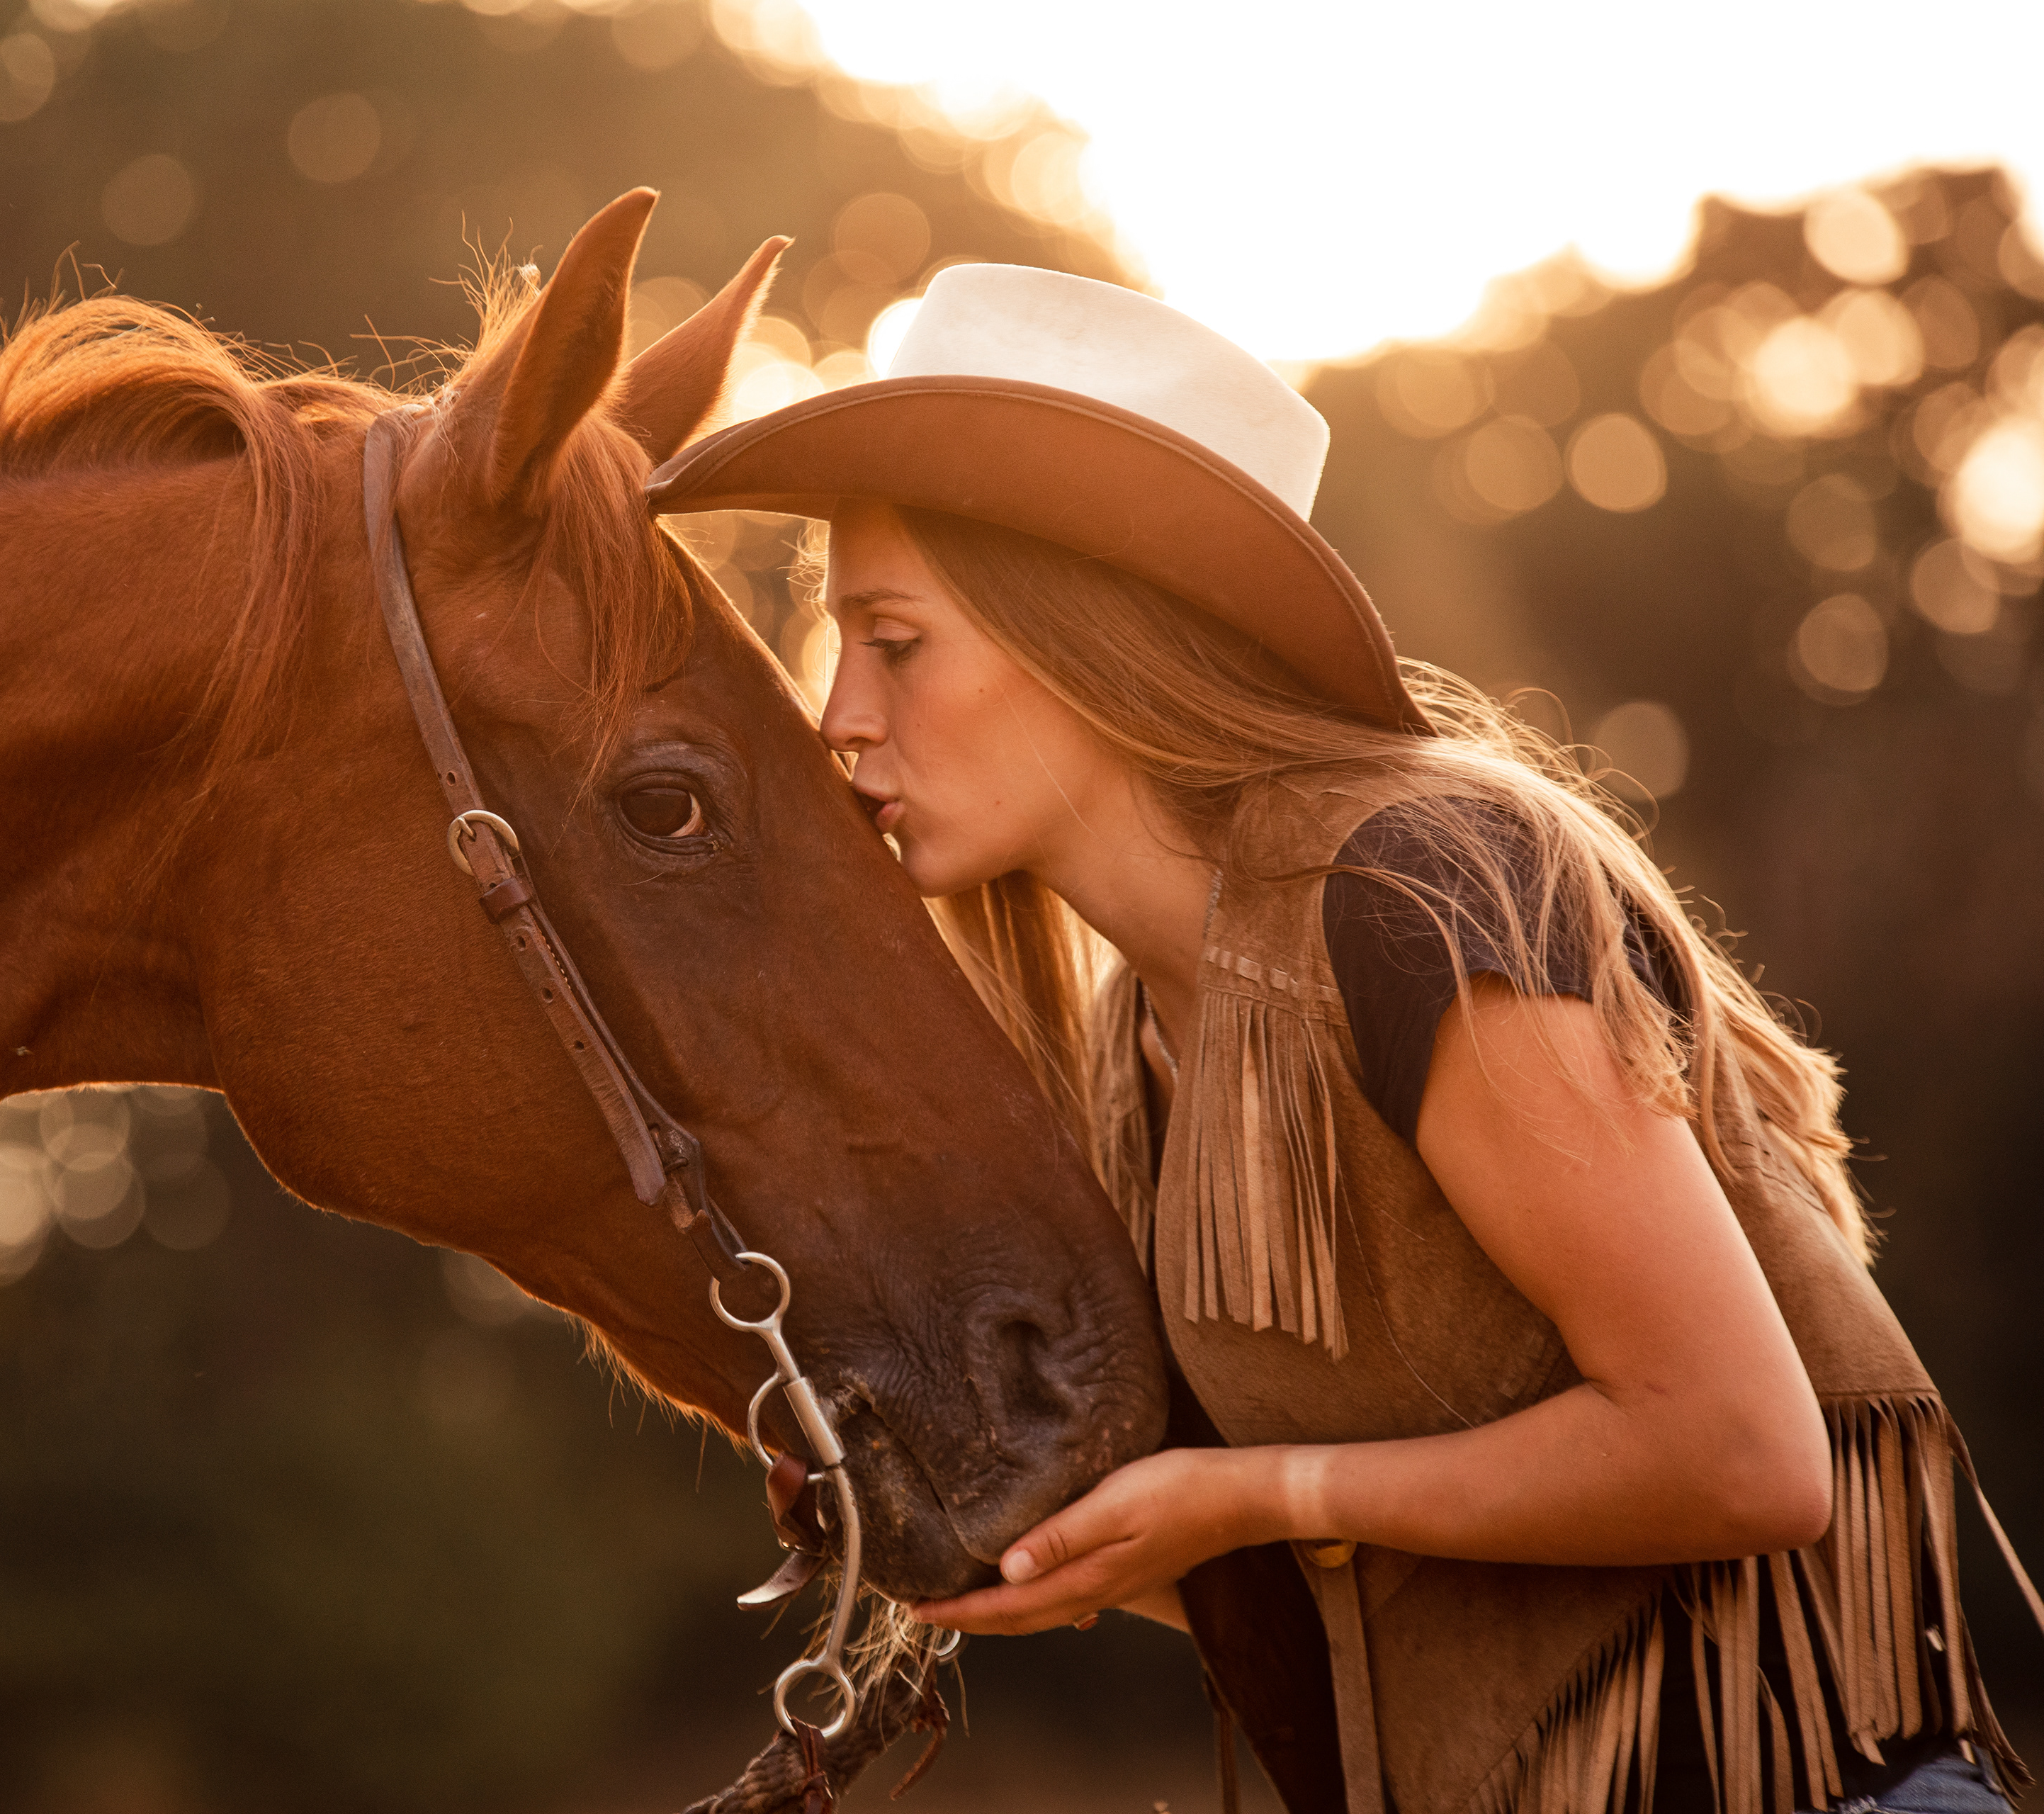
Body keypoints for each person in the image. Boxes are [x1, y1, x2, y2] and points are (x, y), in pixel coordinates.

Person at [645, 264, 2039, 1814]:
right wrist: (997, 1528)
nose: (838, 716)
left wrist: (1249, 1494)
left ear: (1087, 634)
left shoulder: (1413, 893)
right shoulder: (1139, 1043)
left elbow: (1742, 1450)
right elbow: (1345, 1573)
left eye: (893, 641)